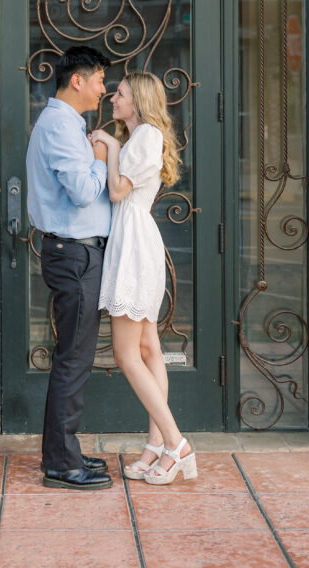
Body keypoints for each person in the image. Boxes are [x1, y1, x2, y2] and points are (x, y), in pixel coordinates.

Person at [91, 72, 198, 486]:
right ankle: (156, 448)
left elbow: (118, 190)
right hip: (133, 242)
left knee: (126, 355)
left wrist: (111, 145)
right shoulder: (141, 138)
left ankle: (176, 443)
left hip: (134, 246)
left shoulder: (146, 137)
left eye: (119, 94)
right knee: (150, 349)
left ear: (137, 101)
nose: (113, 99)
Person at [26, 45, 113, 490]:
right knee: (73, 358)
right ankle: (61, 463)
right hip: (73, 254)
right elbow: (81, 192)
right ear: (76, 81)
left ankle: (66, 451)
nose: (103, 88)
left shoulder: (67, 124)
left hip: (78, 252)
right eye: (98, 79)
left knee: (75, 357)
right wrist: (99, 156)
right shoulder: (61, 124)